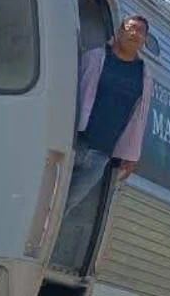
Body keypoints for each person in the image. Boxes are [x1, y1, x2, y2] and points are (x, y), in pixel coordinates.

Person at [66, 14, 154, 212]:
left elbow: (139, 117)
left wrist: (132, 154)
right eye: (130, 28)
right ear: (119, 31)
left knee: (66, 205)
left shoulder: (144, 75)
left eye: (140, 31)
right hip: (74, 141)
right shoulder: (95, 57)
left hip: (101, 155)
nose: (134, 33)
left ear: (144, 40)